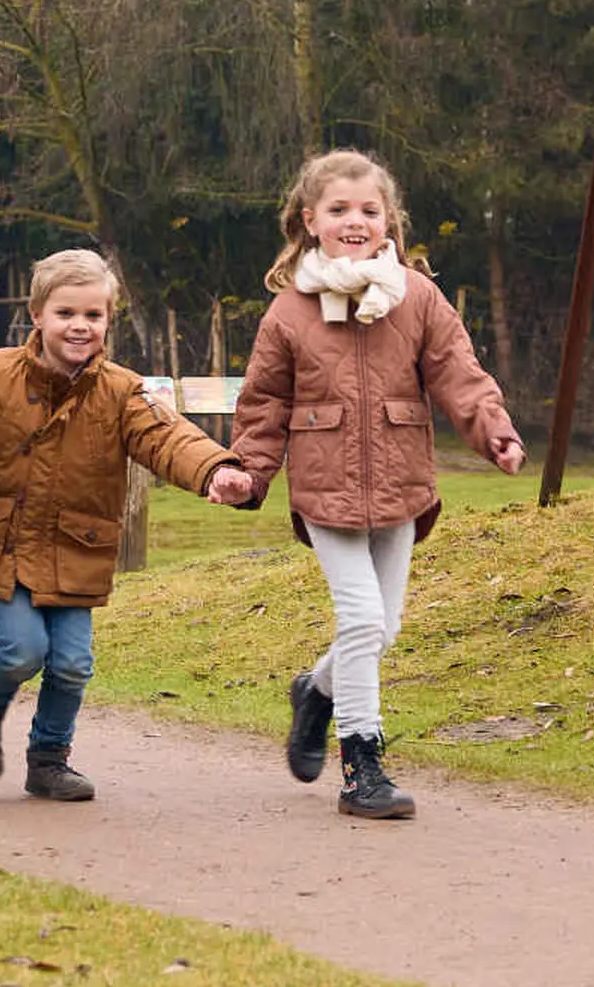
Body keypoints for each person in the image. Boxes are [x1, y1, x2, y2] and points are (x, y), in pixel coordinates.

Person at [220, 148, 524, 820]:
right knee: (359, 619)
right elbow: (264, 404)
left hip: (401, 485)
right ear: (310, 220)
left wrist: (493, 429)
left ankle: (316, 691)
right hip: (325, 492)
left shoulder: (417, 298)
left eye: (368, 210)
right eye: (338, 211)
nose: (354, 221)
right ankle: (362, 765)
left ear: (389, 220)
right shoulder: (289, 313)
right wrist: (246, 470)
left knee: (381, 629)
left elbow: (457, 372)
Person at [0, 248, 258, 801]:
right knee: (22, 651)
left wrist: (216, 468)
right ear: (37, 313)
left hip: (76, 548)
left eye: (93, 316)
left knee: (71, 663)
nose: (79, 326)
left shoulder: (123, 391)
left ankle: (49, 758)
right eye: (66, 313)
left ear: (108, 321)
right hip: (2, 545)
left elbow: (168, 437)